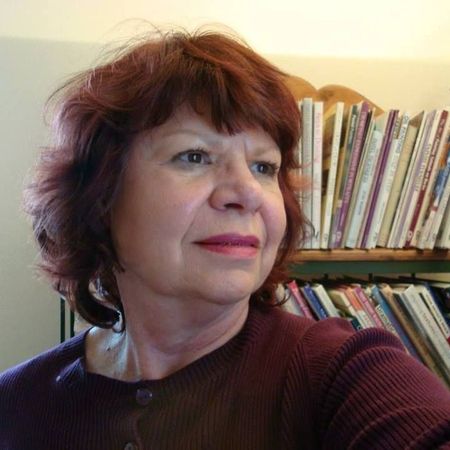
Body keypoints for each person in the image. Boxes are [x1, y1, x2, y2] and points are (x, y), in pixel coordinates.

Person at [1, 27, 450, 450]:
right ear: (99, 196)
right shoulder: (17, 404)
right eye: (194, 156)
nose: (247, 194)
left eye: (264, 167)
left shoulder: (347, 374)